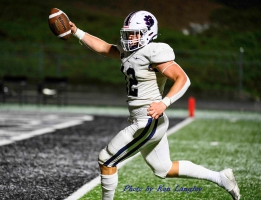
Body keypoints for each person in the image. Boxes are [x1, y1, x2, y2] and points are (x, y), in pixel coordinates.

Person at [69, 10, 240, 200]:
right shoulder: (129, 50)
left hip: (148, 120)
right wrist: (77, 32)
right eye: (128, 33)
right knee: (164, 168)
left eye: (135, 33)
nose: (129, 37)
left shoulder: (154, 51)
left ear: (149, 32)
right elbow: (105, 48)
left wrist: (164, 102)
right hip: (143, 119)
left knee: (106, 159)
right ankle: (221, 178)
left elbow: (182, 78)